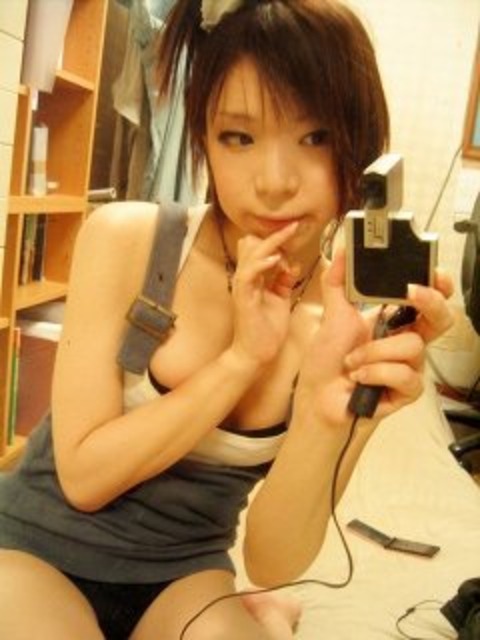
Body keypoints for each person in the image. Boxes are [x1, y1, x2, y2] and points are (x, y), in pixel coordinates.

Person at [0, 1, 453, 639]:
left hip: (185, 575)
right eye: (238, 137)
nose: (274, 182)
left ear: (362, 145)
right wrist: (243, 360)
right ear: (204, 139)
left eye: (315, 137)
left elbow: (271, 560)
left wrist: (331, 417)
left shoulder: (341, 329)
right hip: (38, 548)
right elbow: (84, 479)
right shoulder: (131, 241)